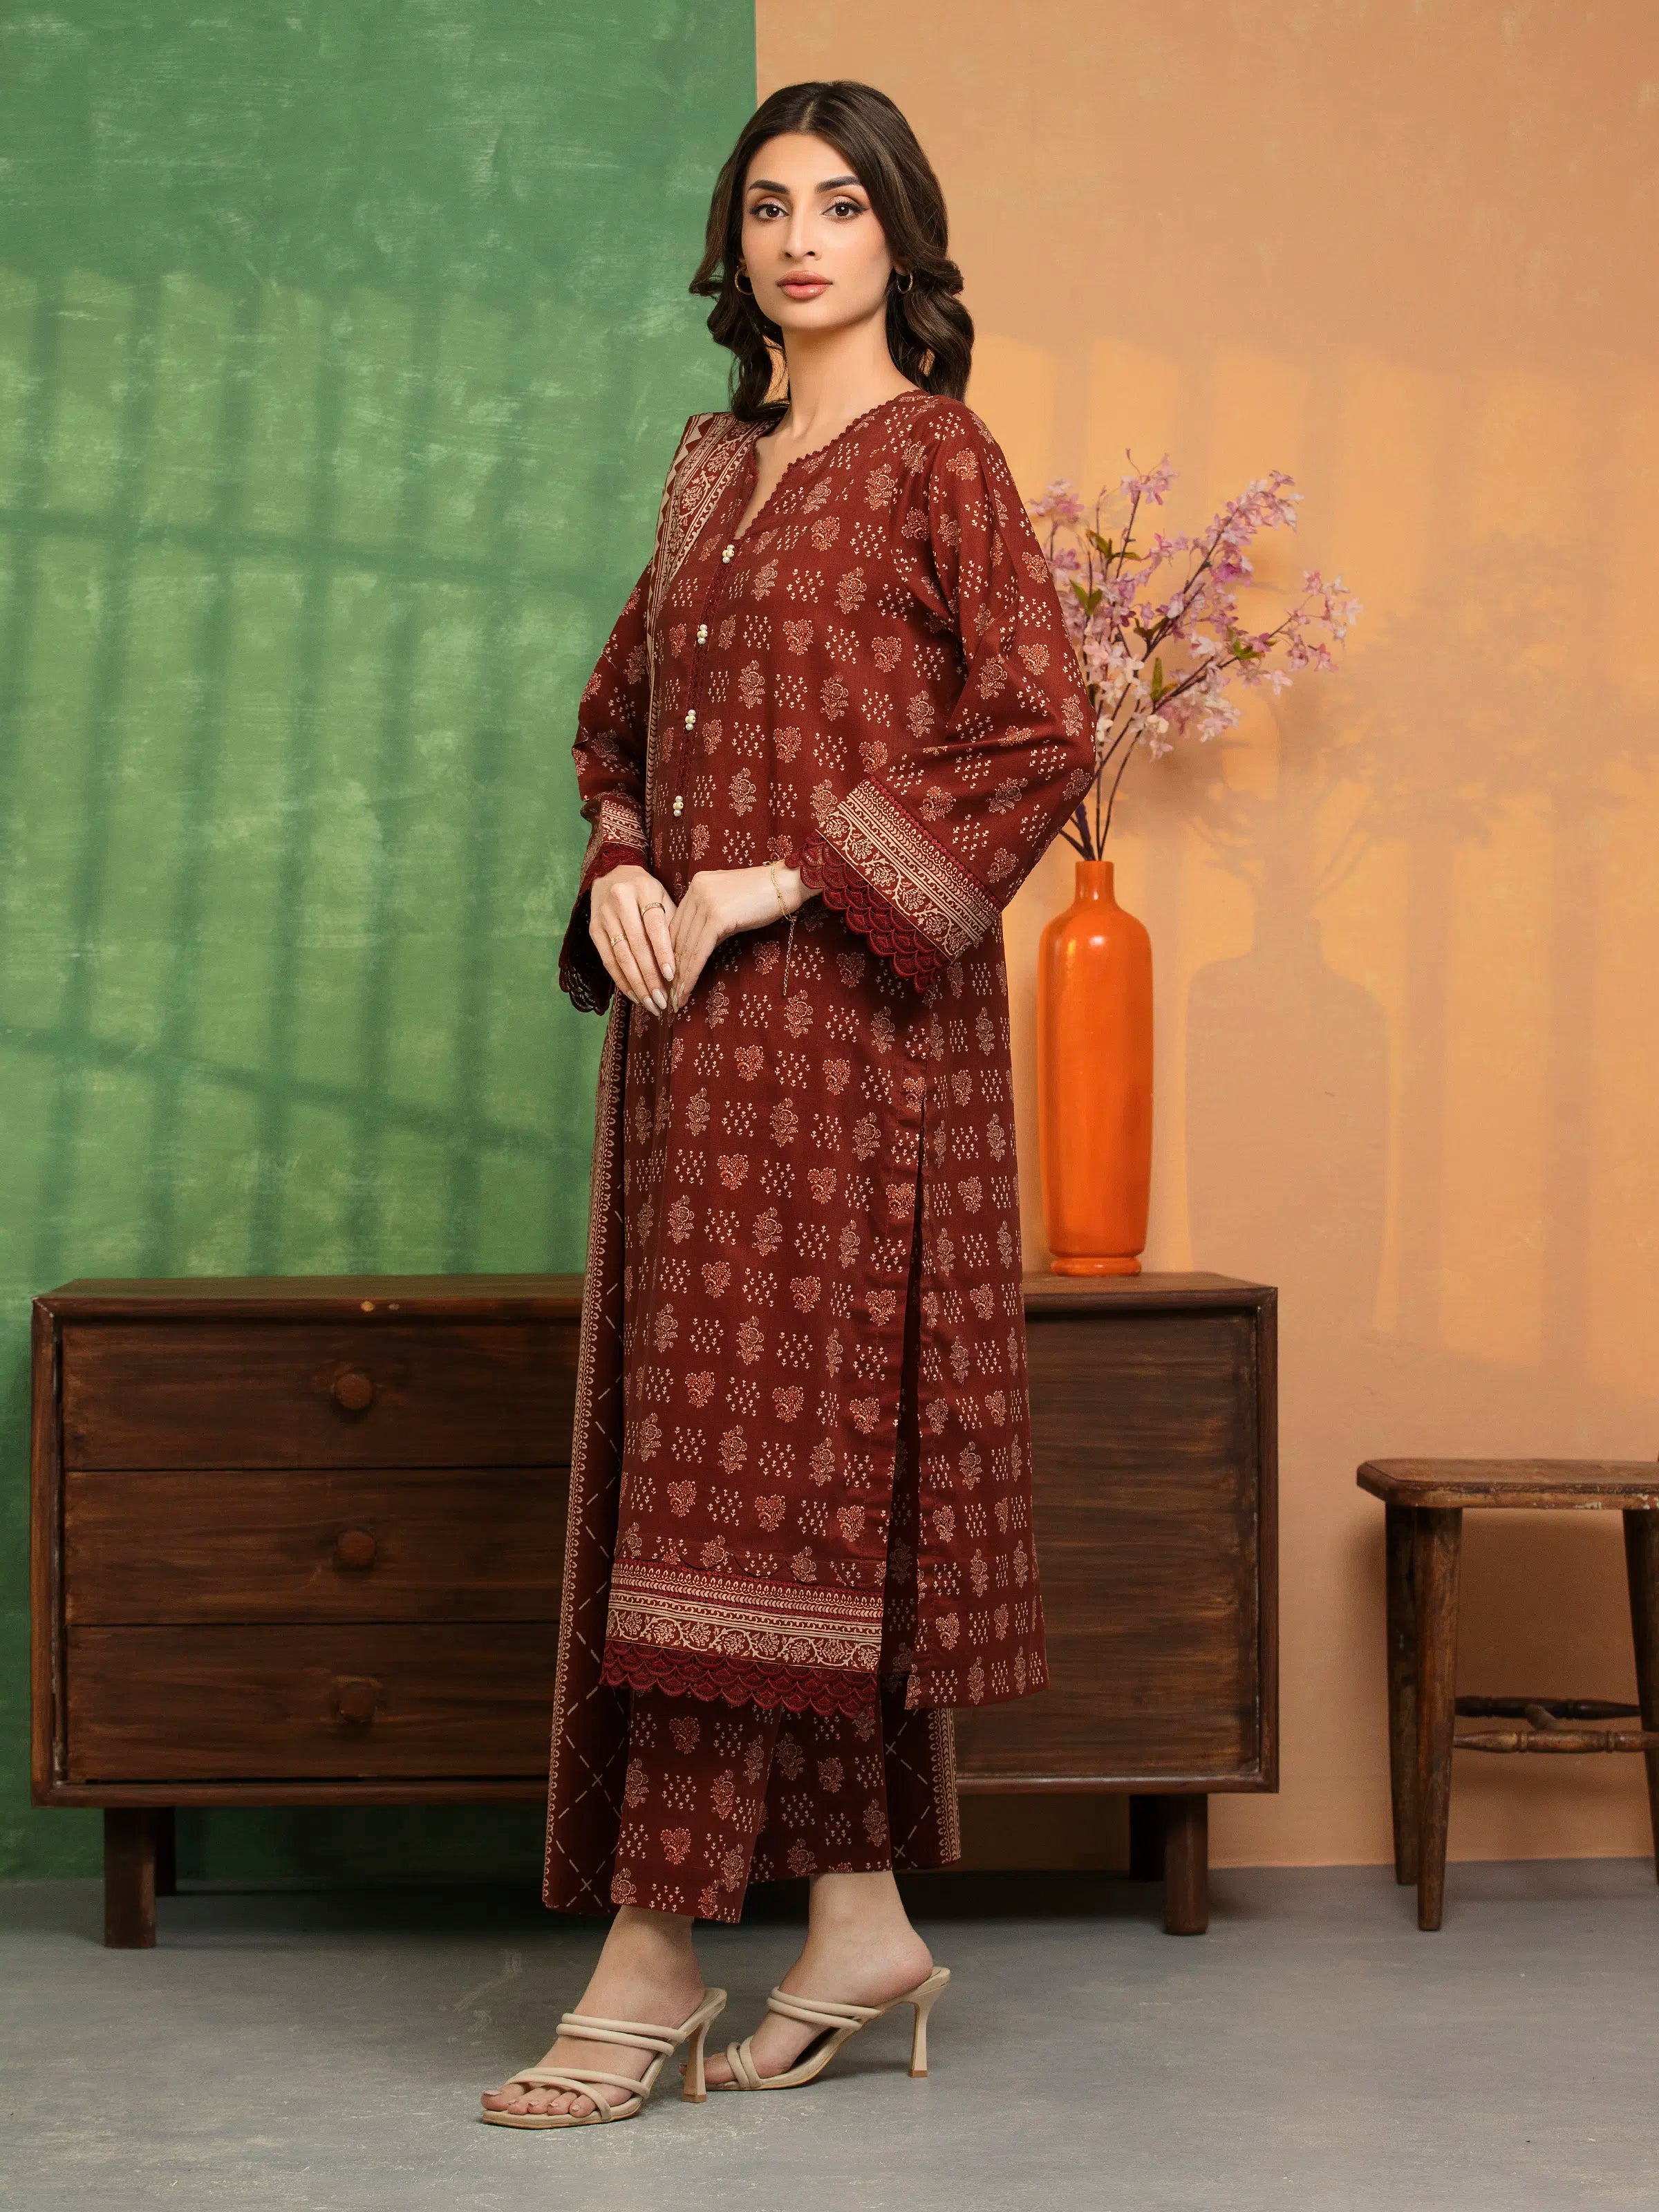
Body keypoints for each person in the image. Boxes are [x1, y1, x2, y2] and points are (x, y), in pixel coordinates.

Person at [481, 76, 1097, 2129]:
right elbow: (614, 723)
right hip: (688, 1058)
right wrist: (625, 865)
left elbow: (1040, 729)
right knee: (743, 1487)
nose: (801, 239)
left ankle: (651, 1956)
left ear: (898, 238)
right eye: (768, 206)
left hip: (855, 1049)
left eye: (840, 204)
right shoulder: (708, 470)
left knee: (745, 1497)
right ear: (731, 245)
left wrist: (777, 878)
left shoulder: (938, 457)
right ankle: (856, 1923)